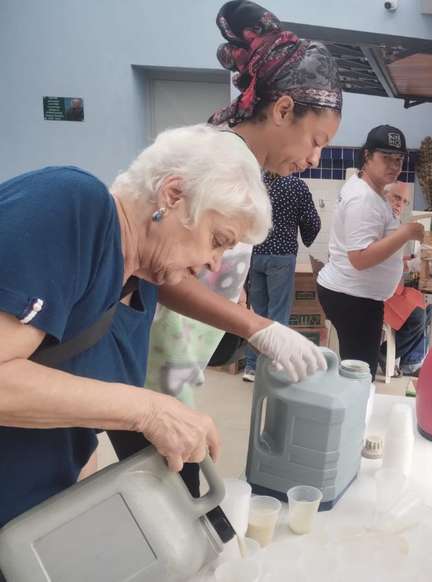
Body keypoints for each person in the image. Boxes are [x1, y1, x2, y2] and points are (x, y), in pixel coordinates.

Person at [0, 123, 331, 529]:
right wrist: (148, 410)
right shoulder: (71, 205)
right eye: (218, 239)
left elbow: (71, 412)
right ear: (173, 196)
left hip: (27, 527)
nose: (215, 262)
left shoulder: (142, 285)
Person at [140, 0, 342, 495]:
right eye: (315, 140)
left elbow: (216, 263)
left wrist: (239, 301)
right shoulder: (215, 159)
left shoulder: (238, 160)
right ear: (283, 110)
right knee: (166, 484)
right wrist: (257, 328)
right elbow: (163, 272)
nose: (314, 159)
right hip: (153, 361)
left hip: (182, 357)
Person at [316, 125, 425, 378]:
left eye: (398, 159)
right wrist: (406, 233)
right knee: (358, 375)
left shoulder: (372, 193)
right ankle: (351, 415)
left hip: (358, 296)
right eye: (385, 158)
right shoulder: (363, 199)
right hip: (352, 298)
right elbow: (360, 258)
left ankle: (352, 410)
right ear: (367, 156)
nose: (394, 165)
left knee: (358, 369)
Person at [242, 172, 321, 382]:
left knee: (257, 313)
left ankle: (251, 367)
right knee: (278, 314)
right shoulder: (296, 185)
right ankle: (272, 368)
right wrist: (306, 234)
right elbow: (312, 222)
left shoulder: (257, 181)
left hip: (255, 254)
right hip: (281, 257)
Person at [380, 181, 431, 377]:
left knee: (427, 304)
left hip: (392, 287)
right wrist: (409, 265)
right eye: (396, 198)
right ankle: (384, 354)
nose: (400, 204)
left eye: (405, 201)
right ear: (384, 196)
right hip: (377, 291)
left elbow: (391, 258)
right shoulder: (376, 221)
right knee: (416, 316)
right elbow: (376, 261)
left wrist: (411, 260)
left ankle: (410, 363)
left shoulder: (395, 225)